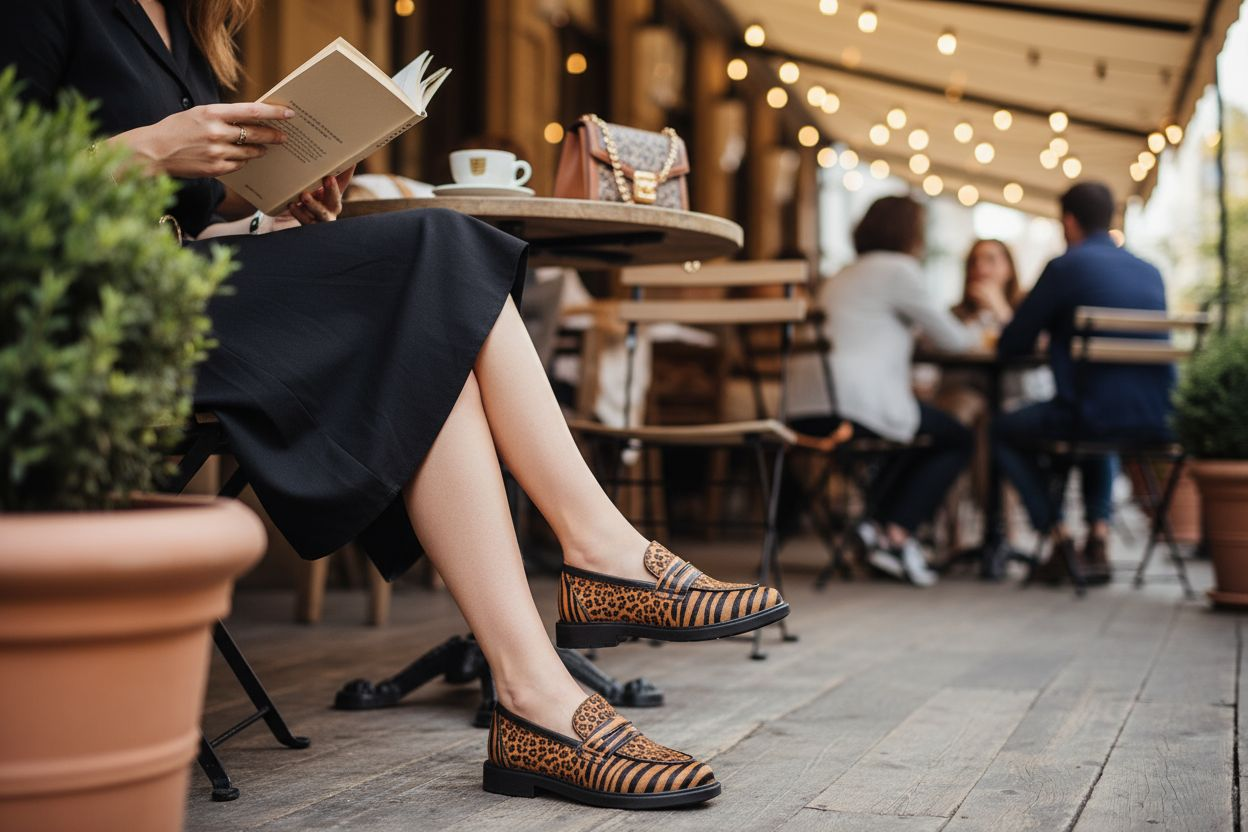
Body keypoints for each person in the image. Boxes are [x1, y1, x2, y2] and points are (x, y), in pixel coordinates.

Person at [2, 0, 790, 808]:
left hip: (191, 289)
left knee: (427, 334)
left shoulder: (196, 34)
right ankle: (600, 557)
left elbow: (189, 227)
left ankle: (534, 696)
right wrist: (151, 147)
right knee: (440, 246)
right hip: (90, 318)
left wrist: (273, 209)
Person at [788, 195, 975, 587]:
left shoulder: (842, 274)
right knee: (956, 438)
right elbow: (955, 340)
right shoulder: (899, 271)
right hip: (854, 406)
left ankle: (877, 529)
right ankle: (895, 533)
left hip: (802, 407)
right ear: (911, 233)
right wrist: (986, 330)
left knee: (913, 434)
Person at [995, 182, 1172, 585]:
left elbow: (1012, 343)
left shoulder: (1065, 267)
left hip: (1089, 417)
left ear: (1069, 222)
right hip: (1156, 418)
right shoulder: (1151, 271)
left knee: (1002, 430)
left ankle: (1059, 536)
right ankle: (1099, 537)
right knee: (1099, 425)